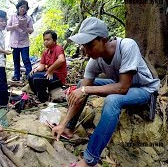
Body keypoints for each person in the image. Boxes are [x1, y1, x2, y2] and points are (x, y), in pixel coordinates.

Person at [51, 17, 160, 167]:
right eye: (84, 46)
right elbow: (84, 89)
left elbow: (123, 88)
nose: (86, 51)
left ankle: (89, 160)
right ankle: (69, 128)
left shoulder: (127, 46)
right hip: (122, 85)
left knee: (112, 100)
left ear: (104, 40)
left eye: (90, 45)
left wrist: (86, 89)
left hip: (144, 88)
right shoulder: (94, 61)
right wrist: (63, 123)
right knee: (81, 84)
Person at [28, 30, 67, 102]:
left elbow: (61, 60)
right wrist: (36, 69)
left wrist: (50, 70)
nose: (46, 41)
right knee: (30, 76)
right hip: (50, 74)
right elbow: (42, 66)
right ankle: (38, 95)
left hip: (58, 76)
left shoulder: (58, 48)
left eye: (48, 39)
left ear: (54, 40)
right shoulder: (45, 52)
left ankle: (43, 99)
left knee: (36, 79)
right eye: (44, 40)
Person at [7, 0, 34, 82]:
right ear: (18, 8)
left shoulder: (29, 18)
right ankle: (16, 76)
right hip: (14, 42)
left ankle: (30, 75)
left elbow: (31, 30)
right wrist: (15, 26)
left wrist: (25, 28)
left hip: (24, 43)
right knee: (16, 60)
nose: (23, 9)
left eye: (25, 8)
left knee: (26, 59)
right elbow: (7, 28)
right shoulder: (12, 16)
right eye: (21, 7)